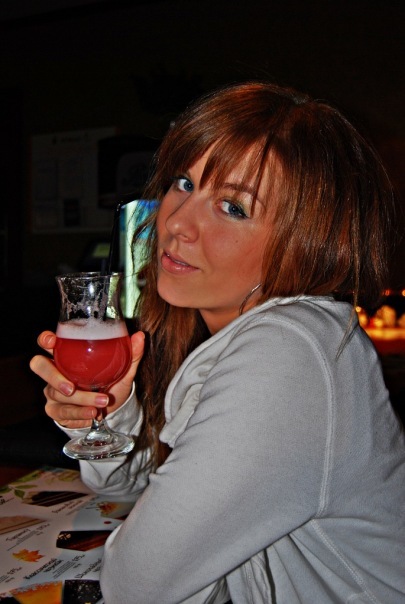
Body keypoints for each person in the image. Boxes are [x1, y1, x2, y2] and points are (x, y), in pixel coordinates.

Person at [30, 81, 405, 604]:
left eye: (232, 207)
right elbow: (136, 487)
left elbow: (138, 584)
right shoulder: (236, 336)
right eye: (184, 183)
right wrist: (110, 416)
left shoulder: (288, 353)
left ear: (304, 243)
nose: (176, 222)